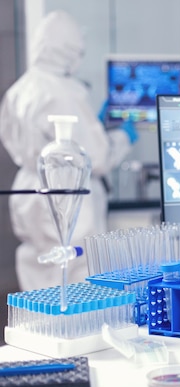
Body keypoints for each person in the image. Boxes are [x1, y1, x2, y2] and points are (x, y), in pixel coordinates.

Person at [0, 10, 137, 290]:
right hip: (68, 191)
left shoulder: (20, 89)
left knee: (40, 269)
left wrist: (94, 128)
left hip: (29, 188)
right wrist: (122, 136)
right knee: (75, 274)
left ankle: (39, 327)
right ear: (71, 50)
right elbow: (94, 158)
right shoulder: (63, 91)